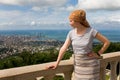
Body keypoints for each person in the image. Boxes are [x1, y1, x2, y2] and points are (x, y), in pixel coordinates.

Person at [46, 9, 110, 80]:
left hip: (91, 66)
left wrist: (98, 53)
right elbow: (64, 48)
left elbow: (107, 42)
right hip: (78, 66)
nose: (69, 23)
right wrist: (57, 63)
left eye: (71, 21)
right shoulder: (71, 33)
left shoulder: (91, 31)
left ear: (78, 21)